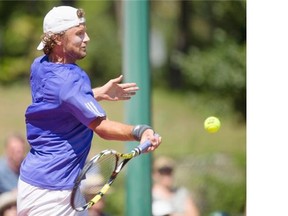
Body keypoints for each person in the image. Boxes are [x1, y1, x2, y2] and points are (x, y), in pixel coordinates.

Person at [17, 5, 162, 216]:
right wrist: (140, 131)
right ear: (58, 39)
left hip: (36, 183)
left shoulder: (39, 66)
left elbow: (58, 102)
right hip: (54, 191)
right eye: (79, 34)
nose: (87, 39)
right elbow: (101, 127)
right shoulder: (72, 79)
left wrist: (94, 94)